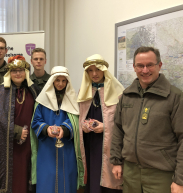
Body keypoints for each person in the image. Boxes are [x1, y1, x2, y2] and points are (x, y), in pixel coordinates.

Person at [110, 46, 183, 193]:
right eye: (140, 66)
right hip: (130, 173)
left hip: (161, 174)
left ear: (159, 65)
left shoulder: (175, 97)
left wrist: (180, 180)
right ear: (134, 67)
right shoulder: (126, 95)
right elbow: (118, 129)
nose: (145, 70)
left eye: (150, 65)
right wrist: (116, 161)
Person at [0, 55, 40, 193]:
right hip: (8, 144)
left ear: (26, 72)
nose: (18, 73)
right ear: (9, 73)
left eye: (21, 70)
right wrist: (15, 130)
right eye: (14, 71)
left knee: (26, 172)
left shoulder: (33, 91)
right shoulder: (1, 90)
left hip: (29, 143)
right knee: (12, 176)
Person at [31, 66, 84, 193]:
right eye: (57, 80)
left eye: (63, 81)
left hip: (66, 147)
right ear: (52, 81)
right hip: (46, 148)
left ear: (67, 82)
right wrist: (46, 129)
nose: (60, 84)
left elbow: (75, 121)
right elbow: (36, 121)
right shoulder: (41, 101)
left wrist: (64, 129)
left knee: (66, 179)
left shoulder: (73, 100)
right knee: (47, 179)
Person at [77, 54, 124, 193]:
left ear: (104, 70)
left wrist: (106, 127)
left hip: (109, 143)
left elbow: (124, 122)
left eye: (97, 69)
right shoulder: (83, 91)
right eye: (90, 71)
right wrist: (83, 126)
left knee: (108, 180)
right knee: (92, 177)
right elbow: (79, 117)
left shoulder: (118, 92)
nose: (94, 74)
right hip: (90, 143)